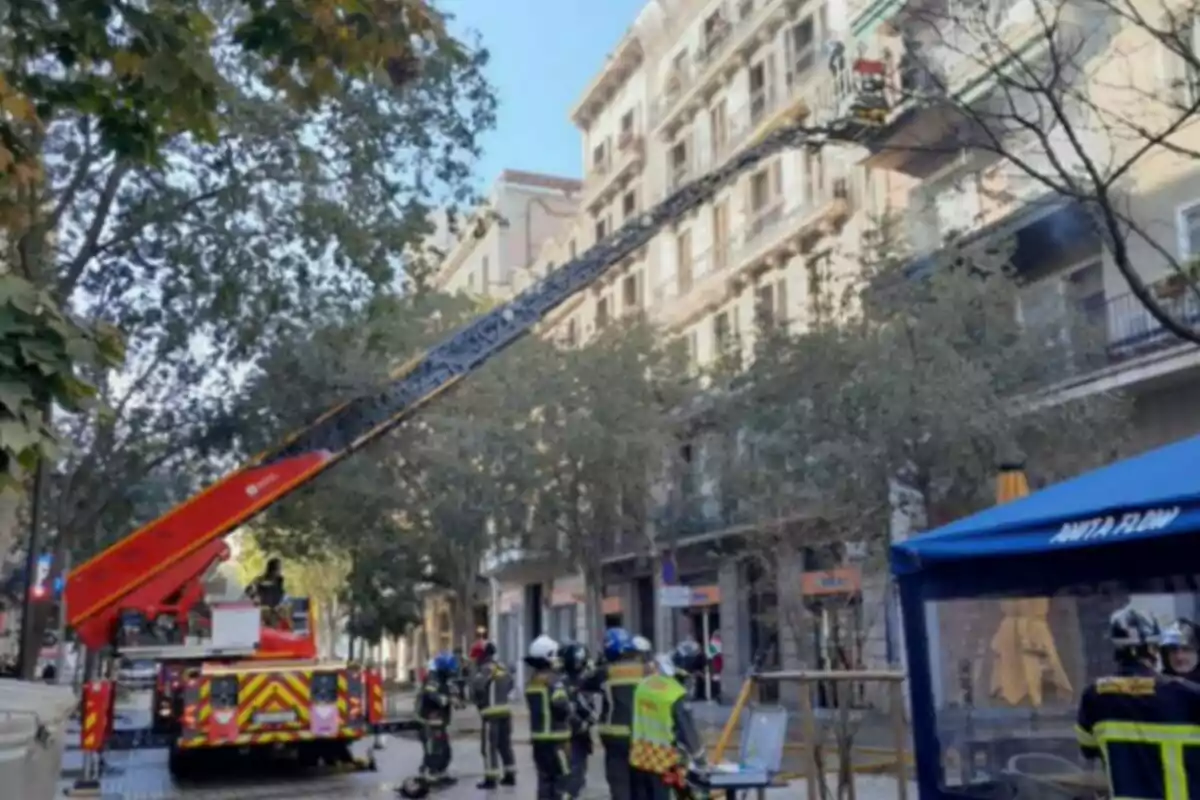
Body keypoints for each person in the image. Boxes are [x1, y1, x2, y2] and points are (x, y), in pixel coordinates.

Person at [1076, 604, 1200, 799]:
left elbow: (1088, 750)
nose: (1179, 656)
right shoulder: (1187, 695)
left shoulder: (1094, 696)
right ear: (1153, 649)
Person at [629, 640, 709, 800]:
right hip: (664, 762)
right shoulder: (675, 694)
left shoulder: (644, 684)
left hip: (639, 758)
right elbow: (688, 732)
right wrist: (701, 761)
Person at [582, 627, 647, 800]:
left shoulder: (605, 672)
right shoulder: (645, 670)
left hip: (615, 736)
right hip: (642, 734)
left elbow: (584, 683)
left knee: (619, 782)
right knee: (640, 783)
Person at [525, 635, 575, 800]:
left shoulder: (532, 680)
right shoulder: (555, 681)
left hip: (539, 740)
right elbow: (562, 707)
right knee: (563, 781)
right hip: (557, 741)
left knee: (544, 782)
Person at [470, 639, 516, 789]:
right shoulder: (502, 667)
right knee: (505, 745)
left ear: (482, 655)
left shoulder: (484, 670)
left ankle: (491, 779)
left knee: (489, 747)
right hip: (505, 712)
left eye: (477, 656)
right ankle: (510, 775)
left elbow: (476, 689)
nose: (475, 659)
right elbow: (510, 684)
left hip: (491, 715)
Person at [415, 652, 458, 788]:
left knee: (444, 751)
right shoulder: (433, 678)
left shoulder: (443, 679)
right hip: (429, 721)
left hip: (439, 722)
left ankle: (441, 774)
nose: (452, 672)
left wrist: (456, 699)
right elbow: (431, 694)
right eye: (450, 669)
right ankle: (429, 776)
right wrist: (446, 700)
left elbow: (448, 692)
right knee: (434, 750)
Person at [560, 641, 597, 798]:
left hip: (571, 734)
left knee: (574, 773)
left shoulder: (563, 681)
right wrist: (585, 722)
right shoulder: (582, 682)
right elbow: (589, 710)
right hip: (575, 734)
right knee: (575, 775)